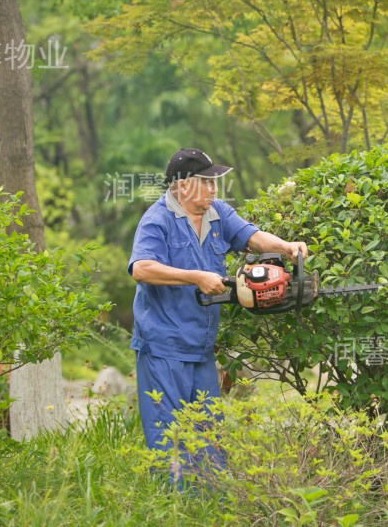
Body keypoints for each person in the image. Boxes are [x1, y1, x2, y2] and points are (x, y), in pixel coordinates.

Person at [127, 147, 307, 487]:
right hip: (163, 345)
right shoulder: (157, 220)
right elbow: (141, 269)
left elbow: (252, 238)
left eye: (215, 184)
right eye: (206, 183)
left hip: (200, 346)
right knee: (169, 435)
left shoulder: (217, 213)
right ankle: (172, 508)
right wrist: (195, 276)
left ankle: (212, 504)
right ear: (181, 186)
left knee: (208, 432)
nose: (214, 191)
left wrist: (285, 246)